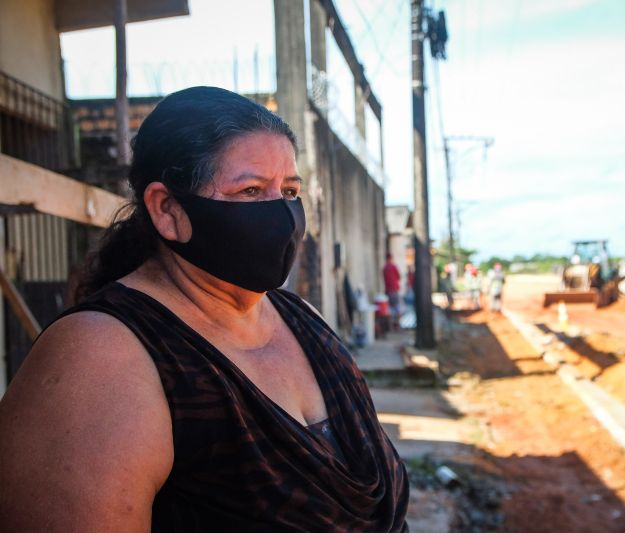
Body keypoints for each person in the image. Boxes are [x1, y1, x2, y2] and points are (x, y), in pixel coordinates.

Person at [0, 87, 408, 532]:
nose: (282, 214)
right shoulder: (100, 358)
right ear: (167, 209)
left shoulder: (303, 319)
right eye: (250, 190)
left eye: (290, 190)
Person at [382, 253, 401, 329]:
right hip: (394, 290)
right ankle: (397, 325)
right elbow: (399, 276)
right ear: (390, 258)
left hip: (388, 291)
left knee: (389, 309)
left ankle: (391, 326)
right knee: (397, 308)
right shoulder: (393, 267)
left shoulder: (385, 268)